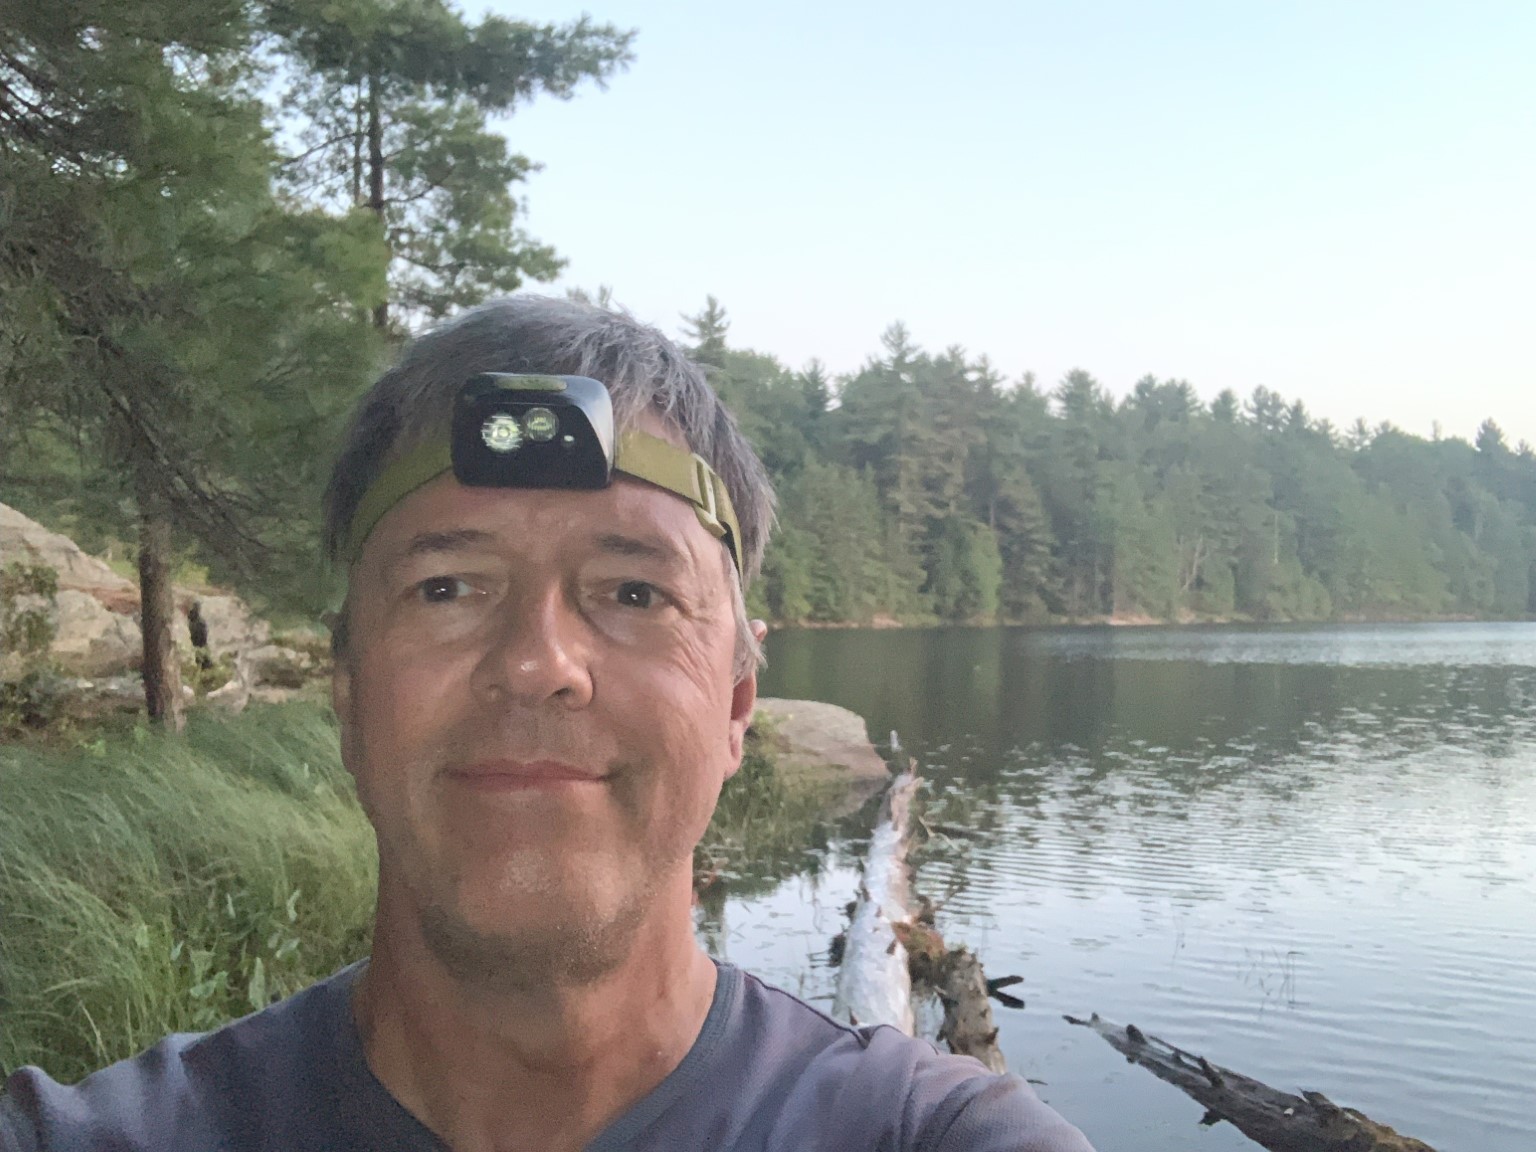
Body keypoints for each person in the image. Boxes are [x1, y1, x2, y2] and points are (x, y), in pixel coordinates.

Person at [1, 297, 1094, 1151]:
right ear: (347, 690)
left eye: (634, 593)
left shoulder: (924, 1136)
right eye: (446, 588)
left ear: (735, 705)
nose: (537, 664)